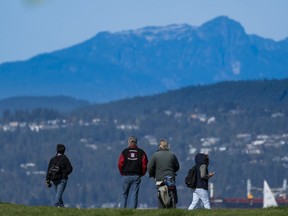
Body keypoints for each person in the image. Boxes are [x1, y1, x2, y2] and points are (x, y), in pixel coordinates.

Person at [147, 139, 180, 208]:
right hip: (170, 178)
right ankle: (172, 207)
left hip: (159, 178)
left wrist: (153, 175)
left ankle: (161, 209)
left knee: (160, 196)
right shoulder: (172, 155)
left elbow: (150, 167)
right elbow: (177, 166)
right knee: (172, 194)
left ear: (160, 146)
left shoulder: (155, 155)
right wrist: (173, 171)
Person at [118, 136, 148, 208]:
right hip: (137, 175)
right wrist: (143, 173)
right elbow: (144, 164)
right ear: (136, 142)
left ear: (128, 142)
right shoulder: (141, 152)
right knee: (134, 193)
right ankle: (133, 210)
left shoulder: (124, 152)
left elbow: (120, 163)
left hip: (126, 175)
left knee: (124, 194)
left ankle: (122, 210)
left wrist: (122, 172)